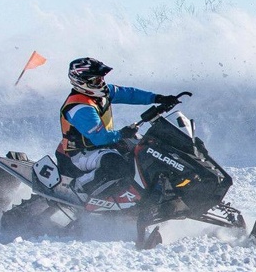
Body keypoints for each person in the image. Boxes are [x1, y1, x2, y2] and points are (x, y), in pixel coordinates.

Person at [55, 57, 179, 194]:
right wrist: (122, 134)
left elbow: (129, 94)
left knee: (148, 148)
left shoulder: (102, 92)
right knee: (116, 164)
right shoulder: (79, 107)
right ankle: (77, 189)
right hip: (82, 153)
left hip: (104, 144)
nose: (101, 82)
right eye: (96, 80)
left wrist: (158, 98)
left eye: (102, 78)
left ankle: (157, 189)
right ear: (82, 81)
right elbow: (99, 138)